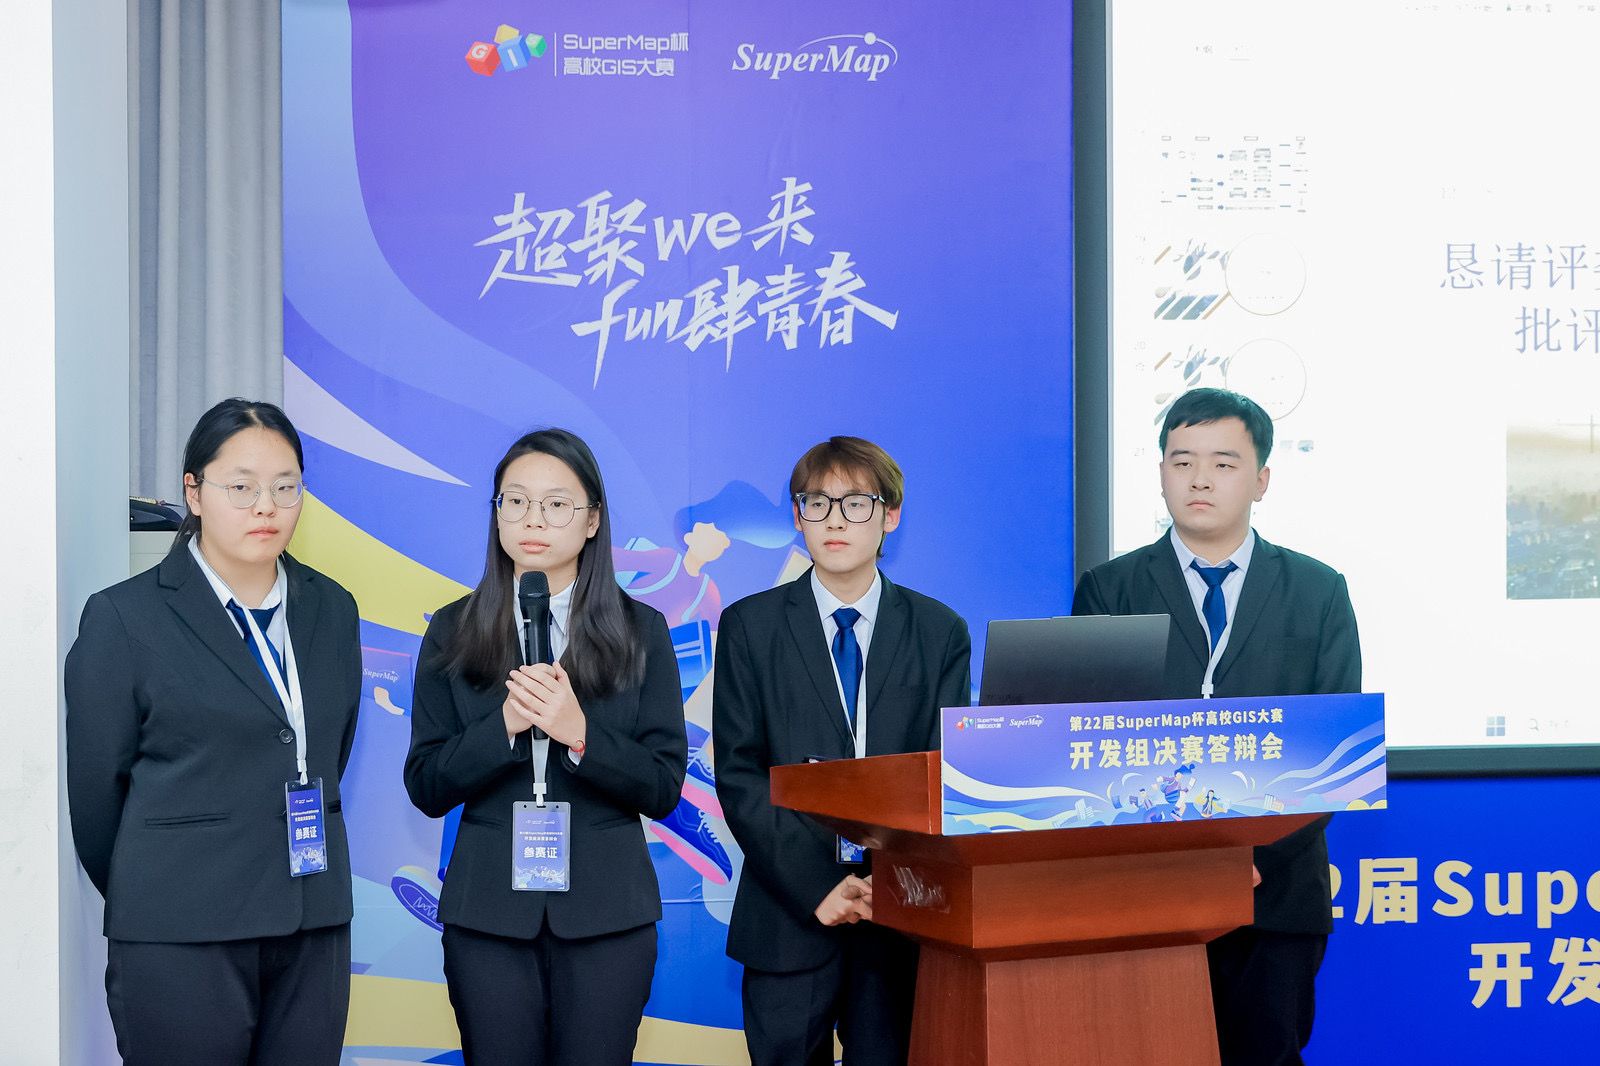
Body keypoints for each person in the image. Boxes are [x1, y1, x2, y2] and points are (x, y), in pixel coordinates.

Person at [65, 398, 362, 1065]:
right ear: (194, 493)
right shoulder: (125, 618)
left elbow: (327, 749)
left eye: (286, 487)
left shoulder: (332, 608)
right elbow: (97, 797)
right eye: (242, 487)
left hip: (311, 921)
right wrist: (163, 877)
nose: (266, 507)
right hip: (181, 929)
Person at [1072, 387, 1361, 1065]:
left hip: (1276, 895)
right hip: (1147, 896)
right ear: (1161, 473)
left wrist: (1247, 860)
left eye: (1224, 463)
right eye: (1183, 461)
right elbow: (1088, 745)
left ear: (1261, 479)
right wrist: (1182, 865)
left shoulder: (1319, 590)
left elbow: (1333, 747)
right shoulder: (1109, 589)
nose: (1200, 479)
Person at [404, 428, 687, 1066]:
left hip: (607, 915)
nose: (533, 520)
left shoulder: (641, 631)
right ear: (497, 513)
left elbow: (663, 785)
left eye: (557, 504)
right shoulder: (452, 629)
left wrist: (581, 734)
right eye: (516, 501)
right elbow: (426, 783)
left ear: (592, 521)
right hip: (488, 917)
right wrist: (504, 724)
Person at [713, 435, 972, 1065]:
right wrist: (815, 887)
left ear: (891, 516)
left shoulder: (938, 631)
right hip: (786, 913)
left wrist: (888, 883)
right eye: (817, 503)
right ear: (797, 517)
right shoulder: (750, 626)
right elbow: (741, 774)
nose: (835, 520)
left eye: (856, 503)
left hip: (898, 915)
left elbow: (943, 775)